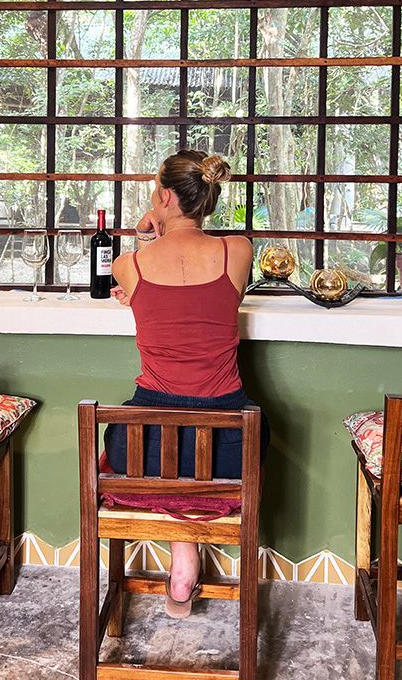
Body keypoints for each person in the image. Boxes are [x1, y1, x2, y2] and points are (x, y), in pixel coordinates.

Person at [107, 149, 270, 619]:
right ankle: (186, 563)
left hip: (144, 450)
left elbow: (144, 262)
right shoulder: (237, 251)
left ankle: (182, 563)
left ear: (162, 196)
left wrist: (147, 226)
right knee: (206, 440)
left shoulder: (128, 267)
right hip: (230, 445)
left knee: (166, 443)